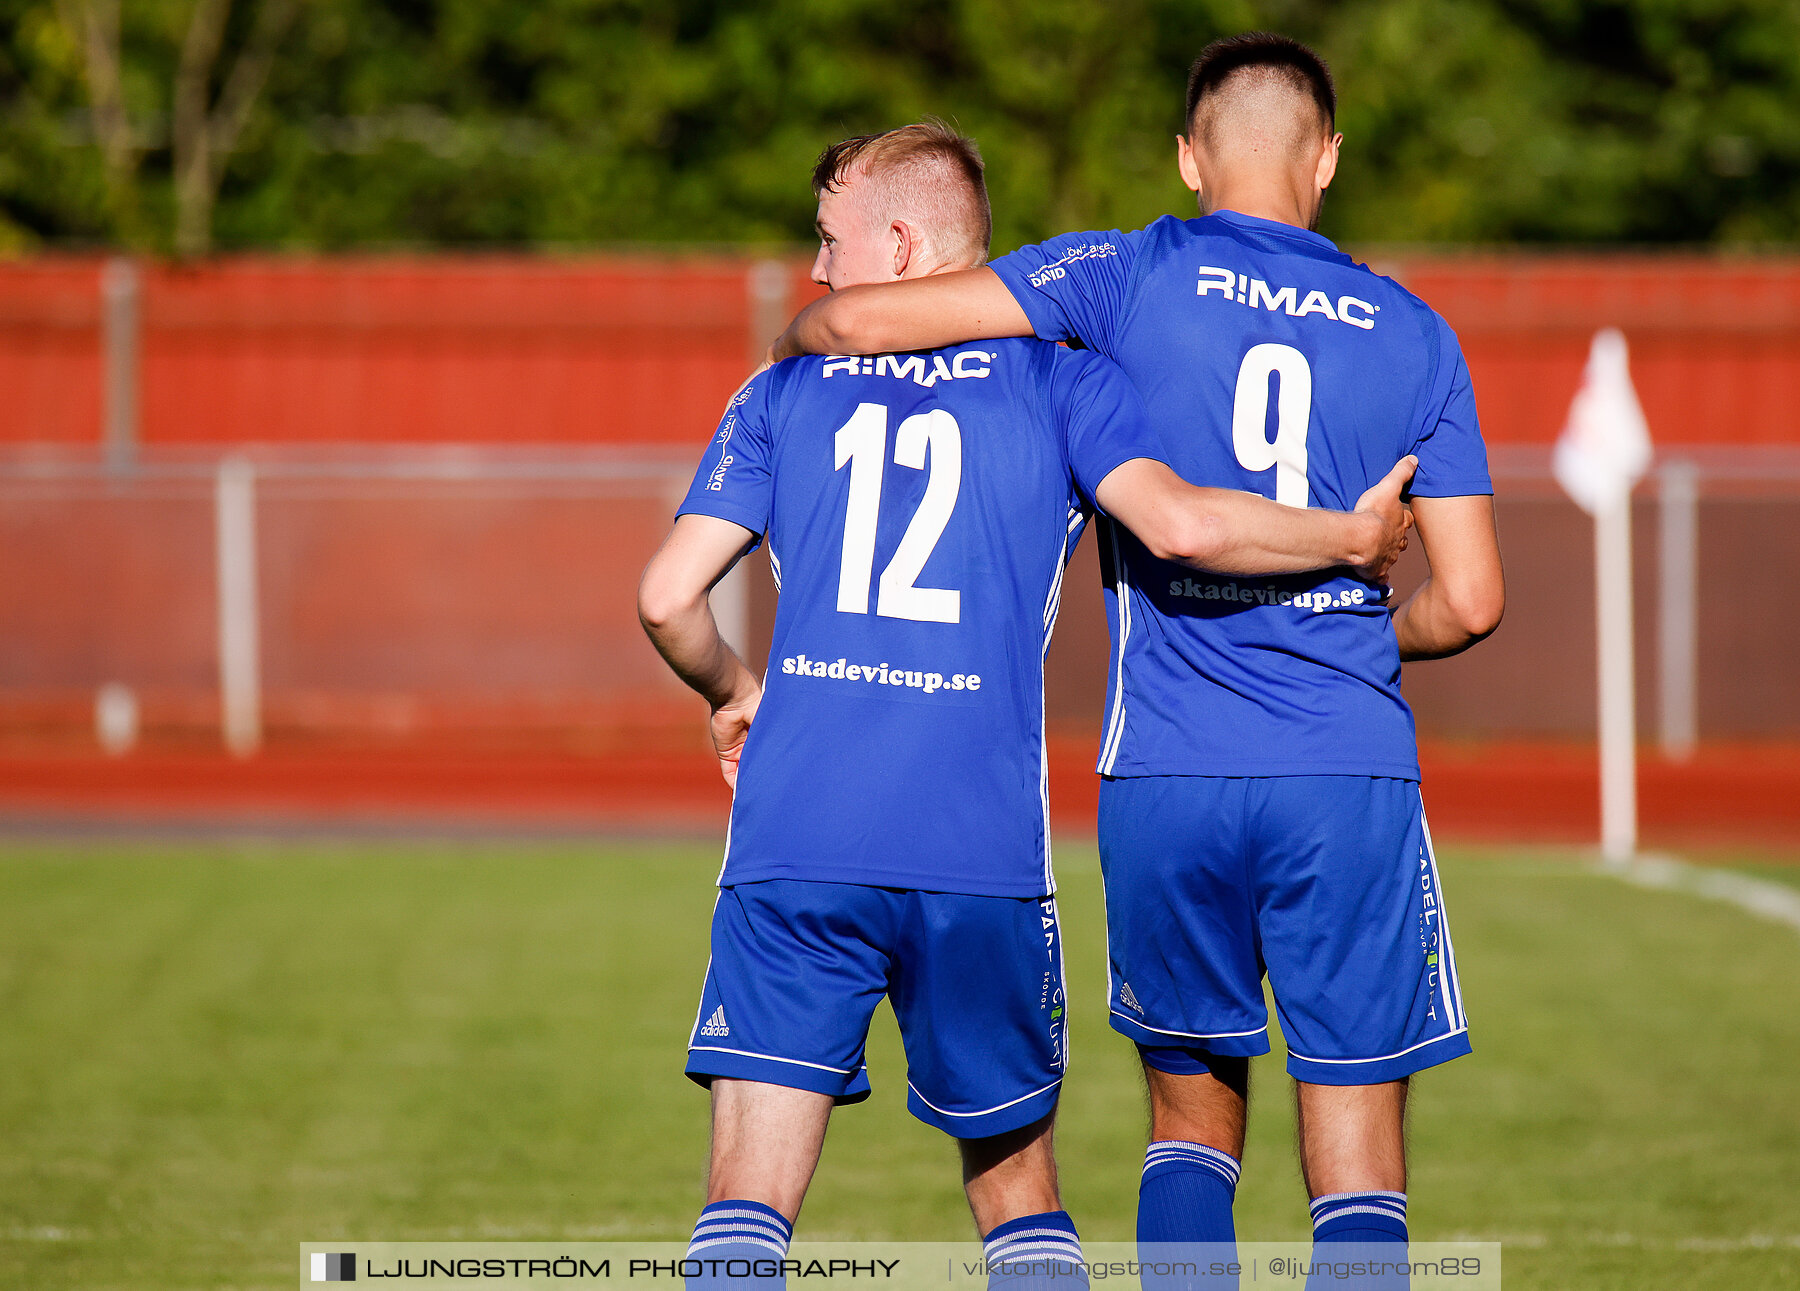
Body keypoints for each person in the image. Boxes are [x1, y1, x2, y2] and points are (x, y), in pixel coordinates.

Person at [769, 35, 1506, 1281]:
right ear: (1326, 158)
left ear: (1185, 157)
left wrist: (813, 315)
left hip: (1167, 770)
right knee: (1357, 1137)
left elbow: (846, 322)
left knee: (1188, 1126)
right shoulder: (1418, 332)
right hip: (1346, 768)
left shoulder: (1119, 270)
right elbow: (1474, 601)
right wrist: (1364, 623)